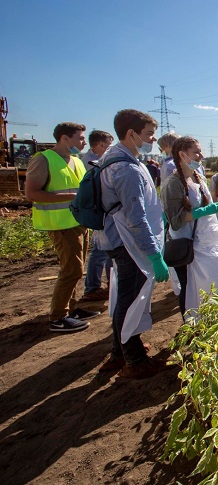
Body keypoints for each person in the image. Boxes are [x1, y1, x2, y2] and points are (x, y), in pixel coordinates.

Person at [94, 109, 170, 378]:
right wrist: (153, 254)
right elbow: (136, 219)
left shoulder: (124, 161)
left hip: (124, 241)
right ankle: (134, 361)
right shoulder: (125, 169)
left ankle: (121, 350)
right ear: (131, 134)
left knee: (126, 298)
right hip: (128, 243)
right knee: (129, 300)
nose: (153, 138)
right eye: (149, 133)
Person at [25, 122, 100, 333]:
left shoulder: (75, 161)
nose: (84, 142)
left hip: (78, 222)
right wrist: (74, 196)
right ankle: (58, 317)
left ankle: (71, 309)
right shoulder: (43, 160)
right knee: (72, 270)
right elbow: (32, 194)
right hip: (60, 224)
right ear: (65, 139)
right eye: (80, 138)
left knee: (77, 269)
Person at [162, 137, 218, 322]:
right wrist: (203, 211)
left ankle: (210, 322)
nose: (201, 156)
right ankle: (193, 327)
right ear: (182, 155)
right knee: (189, 289)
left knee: (211, 284)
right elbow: (176, 220)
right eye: (196, 152)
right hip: (188, 245)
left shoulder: (198, 178)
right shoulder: (173, 183)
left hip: (206, 242)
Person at [79, 129, 115, 303]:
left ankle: (108, 285)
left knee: (106, 251)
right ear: (101, 145)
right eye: (108, 146)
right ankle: (92, 288)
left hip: (101, 211)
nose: (110, 149)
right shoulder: (91, 162)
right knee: (101, 251)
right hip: (99, 212)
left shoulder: (92, 160)